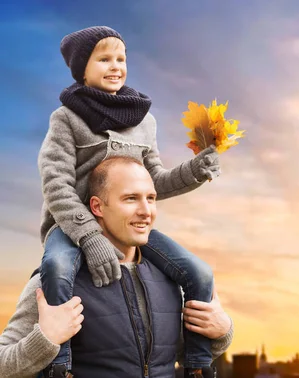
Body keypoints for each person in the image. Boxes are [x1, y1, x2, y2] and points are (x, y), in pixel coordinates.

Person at [37, 26, 222, 377]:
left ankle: (198, 364)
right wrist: (89, 237)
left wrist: (196, 170)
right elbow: (56, 185)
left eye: (121, 58)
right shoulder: (66, 119)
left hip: (124, 226)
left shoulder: (144, 121)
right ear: (82, 69)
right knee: (57, 268)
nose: (115, 66)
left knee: (199, 272)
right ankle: (59, 366)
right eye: (104, 59)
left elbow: (156, 181)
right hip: (73, 225)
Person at [0, 156, 234, 378]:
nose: (146, 212)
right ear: (97, 207)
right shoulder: (56, 282)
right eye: (130, 198)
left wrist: (222, 332)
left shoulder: (170, 277)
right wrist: (45, 339)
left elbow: (178, 355)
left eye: (150, 198)